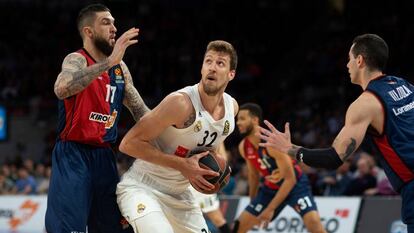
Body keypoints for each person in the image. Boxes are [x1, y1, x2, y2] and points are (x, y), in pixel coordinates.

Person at [259, 33, 414, 232]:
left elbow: (334, 158)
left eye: (349, 59)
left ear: (359, 60)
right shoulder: (405, 86)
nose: (347, 65)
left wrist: (290, 149)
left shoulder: (365, 104)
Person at [46, 4, 149, 233]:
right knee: (68, 228)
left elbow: (142, 113)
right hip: (73, 155)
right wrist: (108, 63)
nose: (114, 28)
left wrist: (181, 133)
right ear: (88, 31)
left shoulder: (120, 69)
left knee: (113, 228)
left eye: (113, 22)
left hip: (105, 156)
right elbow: (61, 89)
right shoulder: (77, 59)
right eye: (106, 22)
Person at [116, 40, 239, 233]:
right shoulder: (181, 103)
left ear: (231, 74)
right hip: (144, 187)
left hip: (181, 194)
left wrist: (212, 174)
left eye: (220, 63)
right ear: (201, 68)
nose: (212, 68)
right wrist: (182, 165)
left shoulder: (231, 110)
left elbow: (208, 151)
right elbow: (128, 144)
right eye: (208, 61)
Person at [233, 103, 325, 233]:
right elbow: (253, 175)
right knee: (238, 226)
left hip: (296, 186)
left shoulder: (271, 143)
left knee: (314, 224)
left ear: (254, 120)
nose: (238, 123)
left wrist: (269, 209)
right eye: (237, 119)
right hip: (270, 188)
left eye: (242, 118)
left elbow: (290, 179)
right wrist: (252, 202)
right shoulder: (244, 146)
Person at [190, 143, 232, 233]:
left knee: (217, 219)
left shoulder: (218, 132)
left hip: (202, 180)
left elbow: (223, 159)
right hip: (180, 177)